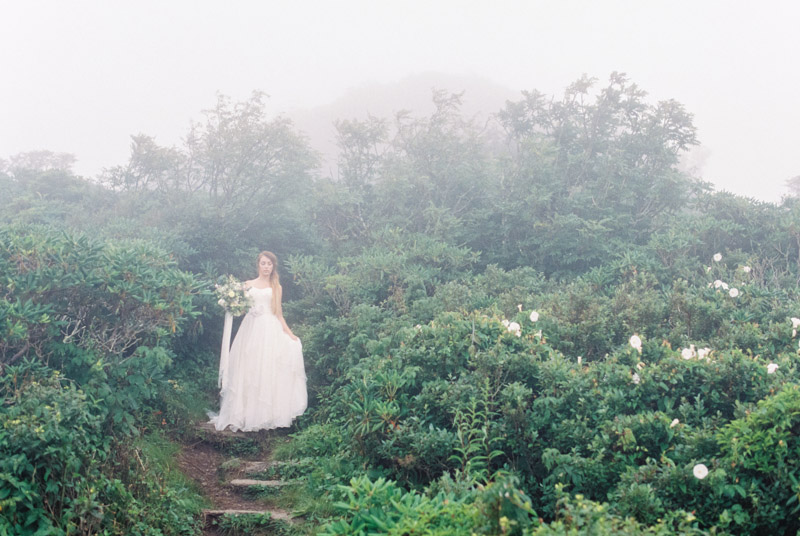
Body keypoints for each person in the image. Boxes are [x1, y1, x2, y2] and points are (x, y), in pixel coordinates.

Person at [210, 251, 307, 432]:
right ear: (258, 265)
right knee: (248, 368)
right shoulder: (247, 285)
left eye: (269, 264)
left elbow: (278, 313)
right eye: (263, 263)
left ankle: (265, 415)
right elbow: (238, 306)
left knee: (268, 368)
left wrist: (290, 334)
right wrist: (236, 307)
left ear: (273, 266)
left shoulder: (276, 287)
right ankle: (244, 414)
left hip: (270, 329)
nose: (266, 267)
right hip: (251, 328)